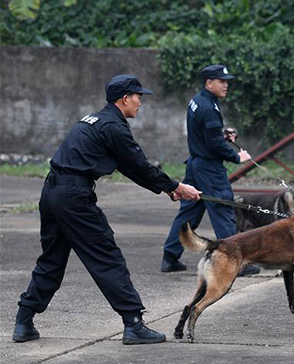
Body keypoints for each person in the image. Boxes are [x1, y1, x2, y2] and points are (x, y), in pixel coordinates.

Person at [13, 75, 202, 344]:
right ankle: (134, 324)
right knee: (106, 257)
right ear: (124, 99)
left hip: (52, 192)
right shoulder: (114, 127)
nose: (140, 102)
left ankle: (23, 320)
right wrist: (177, 186)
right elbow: (139, 165)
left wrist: (169, 188)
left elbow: (128, 166)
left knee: (52, 259)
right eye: (138, 97)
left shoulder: (93, 121)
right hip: (75, 198)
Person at [161, 64, 259, 276]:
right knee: (223, 210)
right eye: (221, 81)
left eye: (226, 81)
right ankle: (235, 261)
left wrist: (223, 135)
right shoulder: (208, 107)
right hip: (209, 169)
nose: (226, 85)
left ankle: (170, 256)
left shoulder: (198, 101)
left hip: (196, 165)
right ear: (209, 83)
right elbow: (214, 143)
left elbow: (206, 135)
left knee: (189, 212)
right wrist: (236, 156)